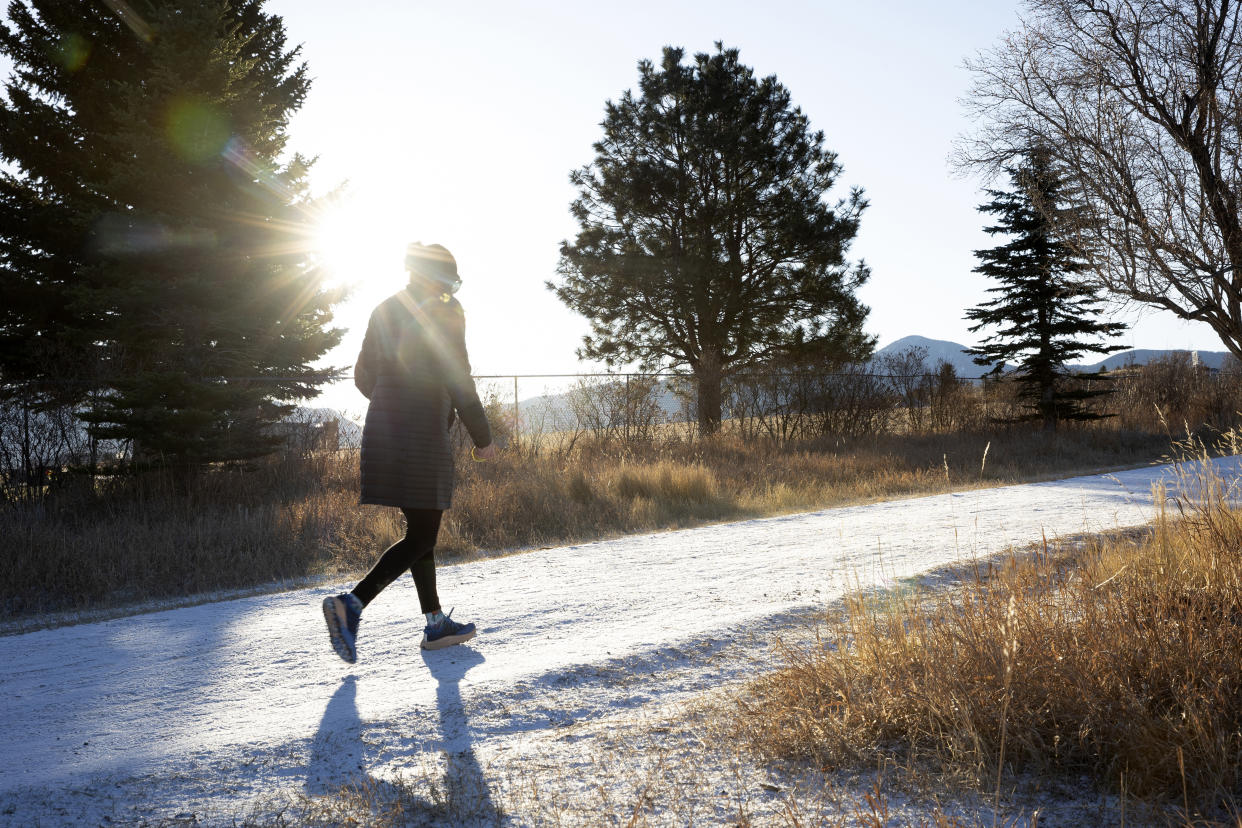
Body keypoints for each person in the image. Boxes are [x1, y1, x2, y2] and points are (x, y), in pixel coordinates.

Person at [322, 242, 496, 664]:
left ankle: (436, 624)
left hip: (384, 430)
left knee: (422, 525)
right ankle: (351, 605)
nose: (452, 288)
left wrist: (389, 405)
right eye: (450, 279)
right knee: (423, 533)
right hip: (421, 434)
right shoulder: (448, 311)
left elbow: (363, 375)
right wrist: (482, 436)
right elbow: (459, 376)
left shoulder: (384, 308)